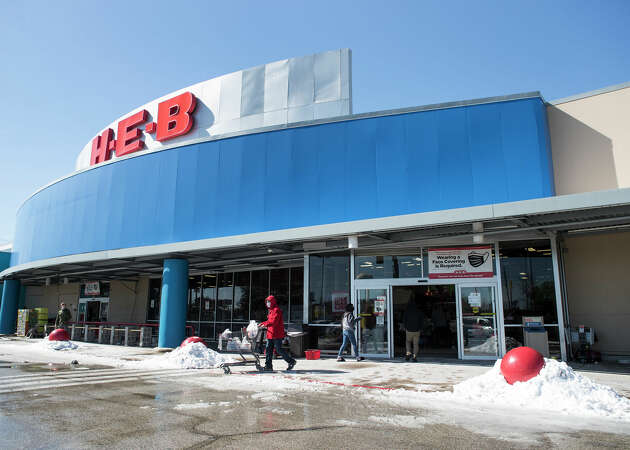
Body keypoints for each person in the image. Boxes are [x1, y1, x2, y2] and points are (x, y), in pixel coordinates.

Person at [259, 295, 296, 371]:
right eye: (267, 301)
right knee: (268, 350)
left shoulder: (276, 310)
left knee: (278, 349)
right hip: (270, 334)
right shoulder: (271, 311)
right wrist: (262, 323)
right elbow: (269, 321)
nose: (267, 303)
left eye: (269, 301)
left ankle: (291, 361)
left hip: (276, 334)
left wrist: (265, 324)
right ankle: (268, 366)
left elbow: (274, 322)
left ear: (272, 302)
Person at [404, 296, 424, 362]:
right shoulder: (419, 311)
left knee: (408, 342)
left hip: (409, 330)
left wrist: (405, 327)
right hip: (417, 330)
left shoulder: (407, 311)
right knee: (416, 344)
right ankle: (414, 356)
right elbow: (421, 321)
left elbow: (404, 320)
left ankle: (408, 353)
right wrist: (420, 328)